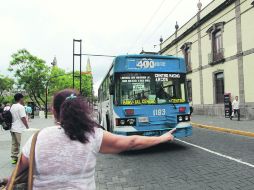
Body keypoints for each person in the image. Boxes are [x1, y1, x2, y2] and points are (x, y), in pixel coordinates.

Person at [7, 89, 175, 189]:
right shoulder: (92, 135)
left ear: (54, 111)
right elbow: (131, 142)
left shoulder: (38, 138)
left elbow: (16, 174)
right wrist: (161, 138)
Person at [10, 93, 29, 164]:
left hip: (12, 127)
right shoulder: (20, 107)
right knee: (22, 143)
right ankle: (23, 159)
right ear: (20, 99)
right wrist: (27, 127)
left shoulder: (12, 106)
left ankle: (14, 158)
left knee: (14, 143)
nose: (23, 100)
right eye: (23, 98)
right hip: (19, 128)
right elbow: (23, 118)